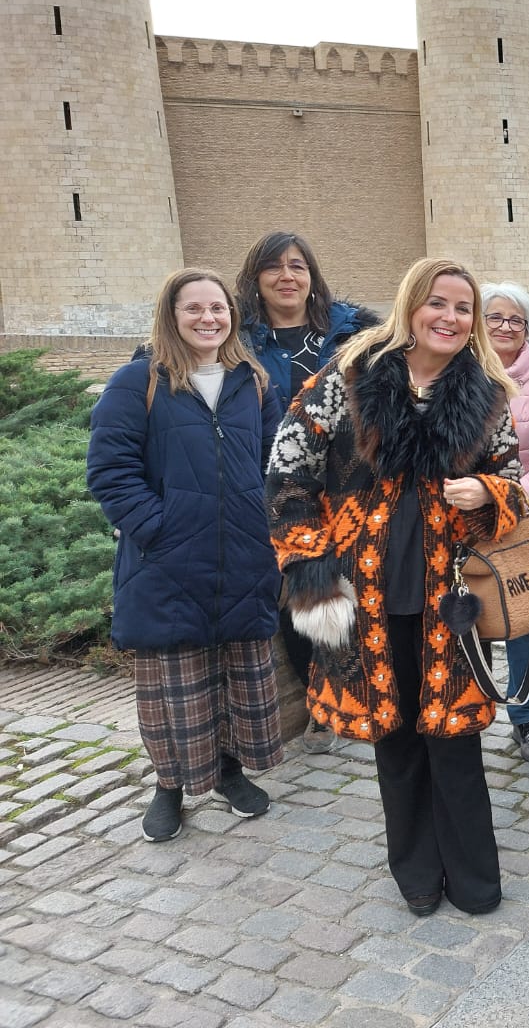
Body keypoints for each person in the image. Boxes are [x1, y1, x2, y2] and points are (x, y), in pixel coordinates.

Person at [266, 258, 524, 916]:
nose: (450, 317)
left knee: (455, 738)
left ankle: (474, 877)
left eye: (463, 308)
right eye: (438, 303)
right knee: (397, 739)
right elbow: (288, 467)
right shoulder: (350, 378)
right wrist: (309, 564)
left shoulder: (486, 395)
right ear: (411, 307)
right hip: (366, 595)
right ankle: (415, 871)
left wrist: (489, 493)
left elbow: (515, 483)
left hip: (451, 597)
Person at [89, 268, 285, 843]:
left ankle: (228, 771)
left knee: (233, 675)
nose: (208, 318)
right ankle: (168, 786)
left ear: (232, 315)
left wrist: (268, 527)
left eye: (218, 308)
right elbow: (110, 471)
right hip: (168, 563)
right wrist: (160, 531)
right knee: (174, 684)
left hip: (245, 557)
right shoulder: (137, 383)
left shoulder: (253, 381)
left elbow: (278, 463)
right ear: (171, 316)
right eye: (193, 308)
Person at [235, 231, 376, 754]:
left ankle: (360, 690)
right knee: (300, 591)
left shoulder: (351, 334)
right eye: (274, 267)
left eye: (297, 266)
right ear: (256, 279)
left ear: (312, 276)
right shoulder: (240, 342)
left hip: (348, 486)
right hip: (279, 488)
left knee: (359, 586)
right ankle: (319, 701)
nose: (287, 277)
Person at [480, 280, 529, 765]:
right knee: (467, 617)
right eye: (495, 318)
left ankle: (526, 717)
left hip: (518, 516)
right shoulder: (458, 375)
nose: (506, 327)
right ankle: (468, 705)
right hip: (457, 519)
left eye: (516, 320)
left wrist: (503, 496)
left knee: (523, 623)